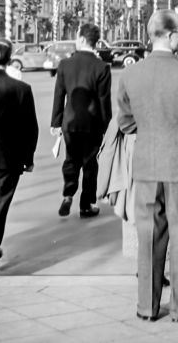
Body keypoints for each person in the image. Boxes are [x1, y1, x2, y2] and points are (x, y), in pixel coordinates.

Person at [117, 10, 178, 323]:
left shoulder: (129, 74)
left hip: (146, 164)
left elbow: (125, 123)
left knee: (148, 236)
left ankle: (147, 306)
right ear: (169, 35)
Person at [0, 39, 38, 278]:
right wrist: (28, 158)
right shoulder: (21, 89)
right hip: (8, 160)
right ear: (8, 60)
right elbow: (30, 128)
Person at [51, 23, 112, 218]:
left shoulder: (65, 64)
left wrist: (56, 122)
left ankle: (68, 193)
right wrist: (107, 126)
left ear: (82, 39)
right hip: (93, 124)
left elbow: (59, 95)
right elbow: (104, 101)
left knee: (71, 159)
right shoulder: (102, 67)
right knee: (90, 164)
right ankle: (86, 205)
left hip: (70, 121)